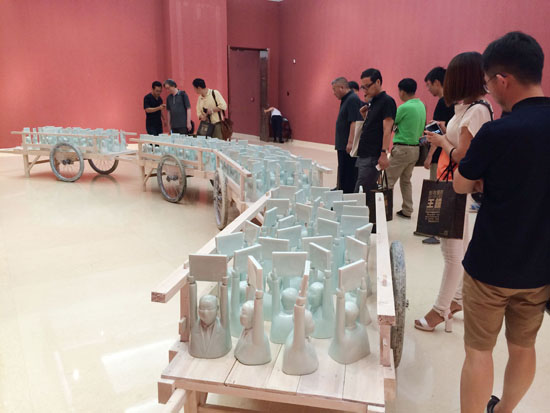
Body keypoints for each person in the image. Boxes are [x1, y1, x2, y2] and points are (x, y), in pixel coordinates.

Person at [453, 32, 550, 413]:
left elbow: (461, 184)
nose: (489, 92)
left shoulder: (497, 132)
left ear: (502, 79)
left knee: (479, 351)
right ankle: (504, 410)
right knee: (523, 347)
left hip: (490, 264)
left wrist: (482, 179)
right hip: (539, 267)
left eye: (489, 83)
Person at [415, 52, 493, 333]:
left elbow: (463, 154)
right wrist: (444, 132)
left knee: (451, 251)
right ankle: (457, 299)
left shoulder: (478, 110)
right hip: (452, 181)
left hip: (457, 183)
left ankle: (439, 311)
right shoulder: (468, 108)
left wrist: (440, 142)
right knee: (459, 246)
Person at [420, 67, 455, 244]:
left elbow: (437, 135)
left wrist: (429, 156)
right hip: (449, 155)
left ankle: (436, 232)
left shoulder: (444, 102)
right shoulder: (455, 101)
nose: (428, 89)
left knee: (437, 193)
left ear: (437, 82)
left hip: (441, 156)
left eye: (429, 85)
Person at [385, 78, 426, 218]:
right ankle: (407, 209)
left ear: (402, 91)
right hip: (415, 149)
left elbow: (391, 123)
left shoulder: (404, 107)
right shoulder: (421, 106)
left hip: (402, 149)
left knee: (388, 180)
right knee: (406, 181)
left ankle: (384, 210)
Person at [355, 69, 396, 201]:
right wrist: (365, 116)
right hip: (365, 153)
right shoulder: (373, 101)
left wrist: (384, 153)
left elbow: (387, 129)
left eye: (367, 86)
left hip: (373, 155)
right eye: (363, 87)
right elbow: (373, 126)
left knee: (361, 192)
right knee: (364, 190)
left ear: (378, 82)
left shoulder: (387, 101)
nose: (365, 90)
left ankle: (360, 213)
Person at [332, 77, 363, 193]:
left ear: (342, 87)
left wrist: (350, 143)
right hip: (343, 144)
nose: (333, 93)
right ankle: (341, 190)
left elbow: (354, 122)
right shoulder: (346, 99)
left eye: (334, 89)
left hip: (347, 146)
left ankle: (346, 194)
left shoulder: (352, 99)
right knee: (343, 171)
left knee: (348, 174)